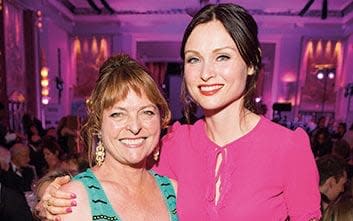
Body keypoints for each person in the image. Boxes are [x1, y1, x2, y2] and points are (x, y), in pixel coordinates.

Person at [37, 3, 321, 220]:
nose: (206, 73)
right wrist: (49, 194)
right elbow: (115, 180)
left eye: (222, 56)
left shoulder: (289, 147)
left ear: (251, 63)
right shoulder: (170, 142)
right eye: (194, 59)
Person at [38, 54, 178, 221]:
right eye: (118, 114)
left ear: (161, 119)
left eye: (147, 112)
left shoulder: (173, 192)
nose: (134, 127)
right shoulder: (72, 200)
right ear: (98, 124)